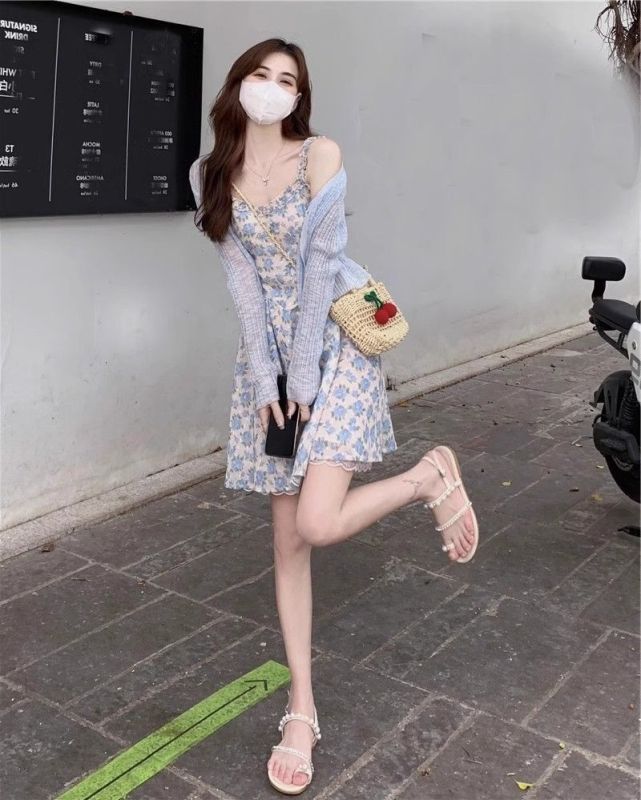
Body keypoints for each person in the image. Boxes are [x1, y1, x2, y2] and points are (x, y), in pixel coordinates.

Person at [189, 38, 479, 796]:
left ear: (299, 96)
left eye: (287, 80)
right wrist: (268, 382)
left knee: (317, 522)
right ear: (238, 83)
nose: (272, 87)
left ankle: (425, 478)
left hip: (335, 347)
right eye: (261, 74)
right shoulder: (209, 172)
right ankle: (302, 709)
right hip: (268, 362)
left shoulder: (319, 155)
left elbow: (320, 267)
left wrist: (305, 377)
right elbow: (243, 286)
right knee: (288, 544)